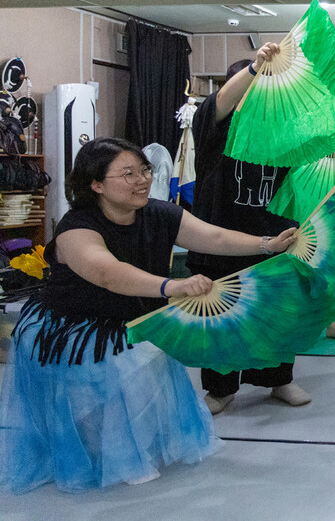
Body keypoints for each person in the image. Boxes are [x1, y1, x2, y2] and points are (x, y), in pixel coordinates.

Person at [0, 138, 298, 493]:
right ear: (95, 184)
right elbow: (107, 273)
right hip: (72, 332)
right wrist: (169, 287)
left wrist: (267, 243)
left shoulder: (158, 213)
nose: (142, 180)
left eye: (144, 170)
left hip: (134, 320)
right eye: (128, 174)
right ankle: (104, 456)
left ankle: (128, 451)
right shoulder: (76, 229)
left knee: (145, 379)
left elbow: (214, 237)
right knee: (105, 395)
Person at [190, 43, 335, 416]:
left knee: (276, 315)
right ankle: (221, 386)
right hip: (220, 244)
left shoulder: (282, 135)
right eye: (252, 86)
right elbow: (217, 105)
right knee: (221, 319)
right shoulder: (216, 133)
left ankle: (278, 379)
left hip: (278, 242)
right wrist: (256, 68)